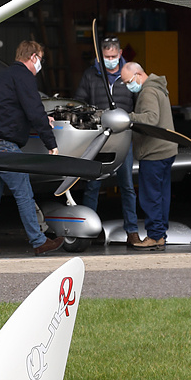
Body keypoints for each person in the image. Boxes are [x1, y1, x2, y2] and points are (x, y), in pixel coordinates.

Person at [0, 40, 65, 256]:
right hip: (4, 145)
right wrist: (51, 143)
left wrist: (42, 118)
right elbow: (33, 109)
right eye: (40, 59)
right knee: (23, 192)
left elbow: (10, 109)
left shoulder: (3, 76)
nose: (40, 64)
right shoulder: (24, 77)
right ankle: (39, 241)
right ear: (33, 57)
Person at [73, 36, 141, 246]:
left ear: (120, 54)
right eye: (106, 56)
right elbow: (80, 102)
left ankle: (132, 231)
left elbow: (139, 105)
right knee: (93, 185)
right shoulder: (91, 75)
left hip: (123, 138)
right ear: (100, 56)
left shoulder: (129, 74)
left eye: (113, 56)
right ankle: (87, 229)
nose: (110, 59)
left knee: (127, 185)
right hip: (98, 138)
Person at [121, 62, 177, 250]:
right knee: (162, 195)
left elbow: (151, 119)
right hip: (166, 150)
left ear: (138, 74)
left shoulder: (148, 92)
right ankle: (160, 234)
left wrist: (128, 117)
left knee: (150, 196)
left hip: (154, 152)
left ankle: (154, 235)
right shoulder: (159, 87)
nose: (129, 86)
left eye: (128, 81)